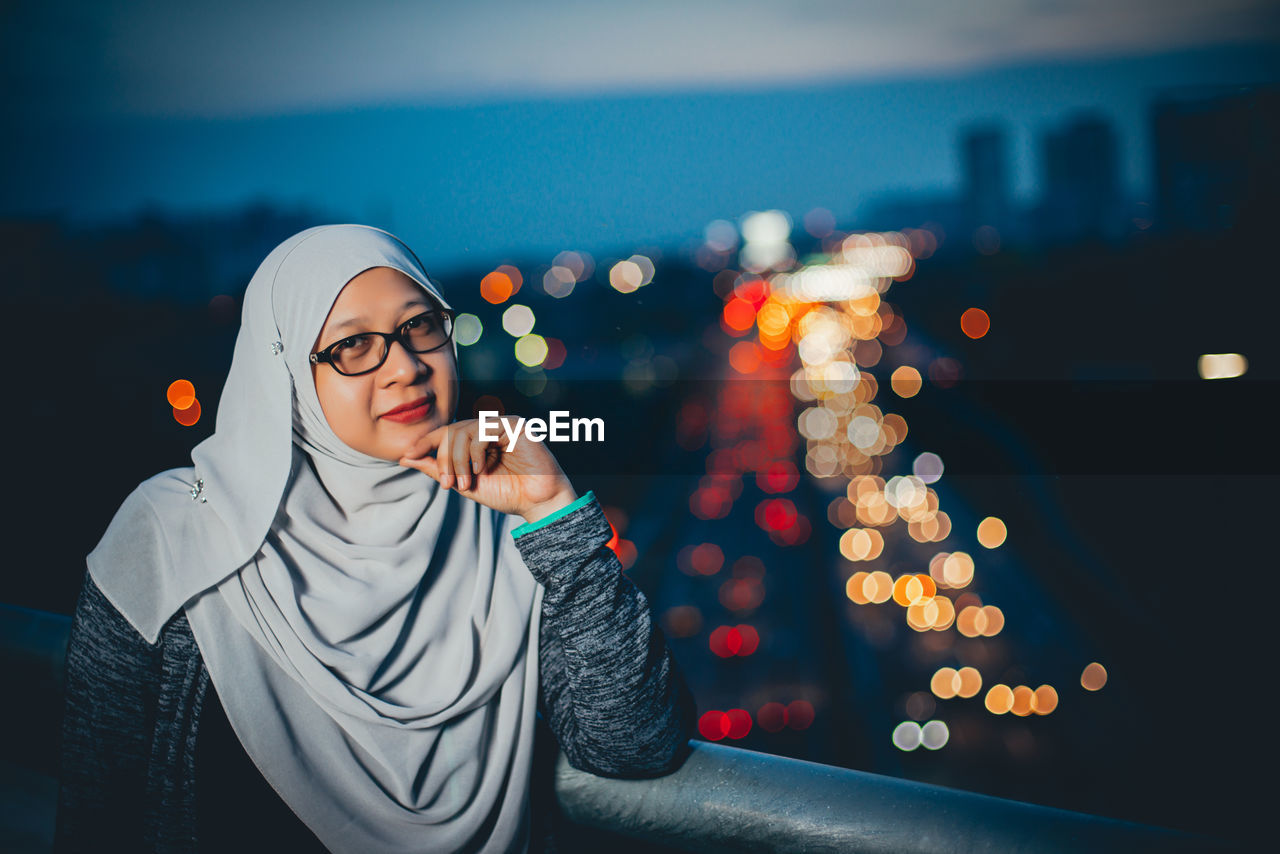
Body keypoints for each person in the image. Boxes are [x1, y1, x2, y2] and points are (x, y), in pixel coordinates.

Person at [55, 224, 696, 853]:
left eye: (420, 326)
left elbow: (635, 745)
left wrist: (554, 512)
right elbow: (97, 817)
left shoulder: (511, 531)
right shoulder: (174, 536)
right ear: (287, 375)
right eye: (353, 345)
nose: (406, 367)